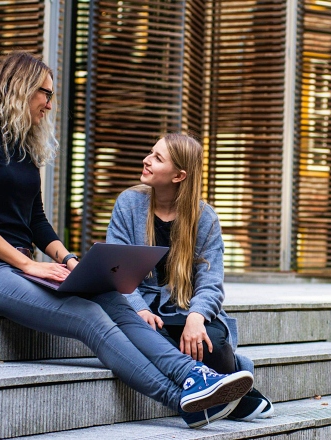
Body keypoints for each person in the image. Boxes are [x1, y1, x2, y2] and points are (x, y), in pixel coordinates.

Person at [0, 51, 253, 429]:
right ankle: (182, 400)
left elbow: (38, 222)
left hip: (23, 268)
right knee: (89, 316)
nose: (49, 102)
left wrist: (73, 263)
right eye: (45, 92)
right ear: (20, 87)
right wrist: (27, 263)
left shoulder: (25, 149)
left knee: (110, 296)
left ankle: (193, 375)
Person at [105, 133, 274, 422]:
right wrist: (140, 309)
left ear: (179, 175)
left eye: (157, 158)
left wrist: (197, 317)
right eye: (150, 152)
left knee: (213, 341)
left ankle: (224, 385)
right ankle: (240, 395)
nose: (146, 160)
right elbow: (115, 268)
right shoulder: (129, 203)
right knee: (147, 337)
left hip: (184, 308)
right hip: (141, 308)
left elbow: (211, 281)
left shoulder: (204, 217)